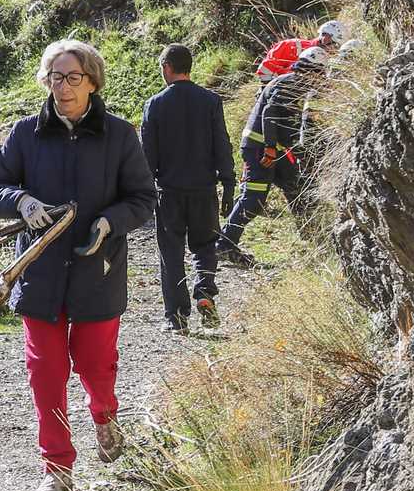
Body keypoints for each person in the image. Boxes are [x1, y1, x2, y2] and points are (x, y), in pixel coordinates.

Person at [0, 39, 156, 491]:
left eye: (72, 77)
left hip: (97, 268)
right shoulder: (24, 133)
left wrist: (108, 222)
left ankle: (104, 414)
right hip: (40, 272)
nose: (62, 86)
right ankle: (57, 468)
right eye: (55, 77)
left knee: (96, 366)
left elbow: (142, 199)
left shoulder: (119, 135)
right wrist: (20, 200)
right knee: (46, 373)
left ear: (92, 82)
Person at [140, 44, 234, 332]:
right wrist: (228, 184)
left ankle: (177, 318)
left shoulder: (155, 104)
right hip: (204, 190)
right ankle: (205, 291)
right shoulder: (210, 101)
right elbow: (222, 143)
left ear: (167, 67)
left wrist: (144, 191)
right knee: (205, 246)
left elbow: (148, 156)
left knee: (171, 253)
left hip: (168, 192)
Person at [219, 46, 330, 266]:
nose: (320, 80)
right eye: (320, 75)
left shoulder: (295, 84)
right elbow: (270, 112)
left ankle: (314, 241)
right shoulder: (292, 83)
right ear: (314, 71)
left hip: (276, 150)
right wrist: (270, 147)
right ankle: (224, 244)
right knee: (254, 198)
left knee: (297, 188)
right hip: (261, 150)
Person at [255, 18, 344, 82]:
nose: (334, 50)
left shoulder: (328, 61)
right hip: (274, 94)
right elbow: (264, 71)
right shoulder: (291, 46)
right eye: (335, 45)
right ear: (326, 38)